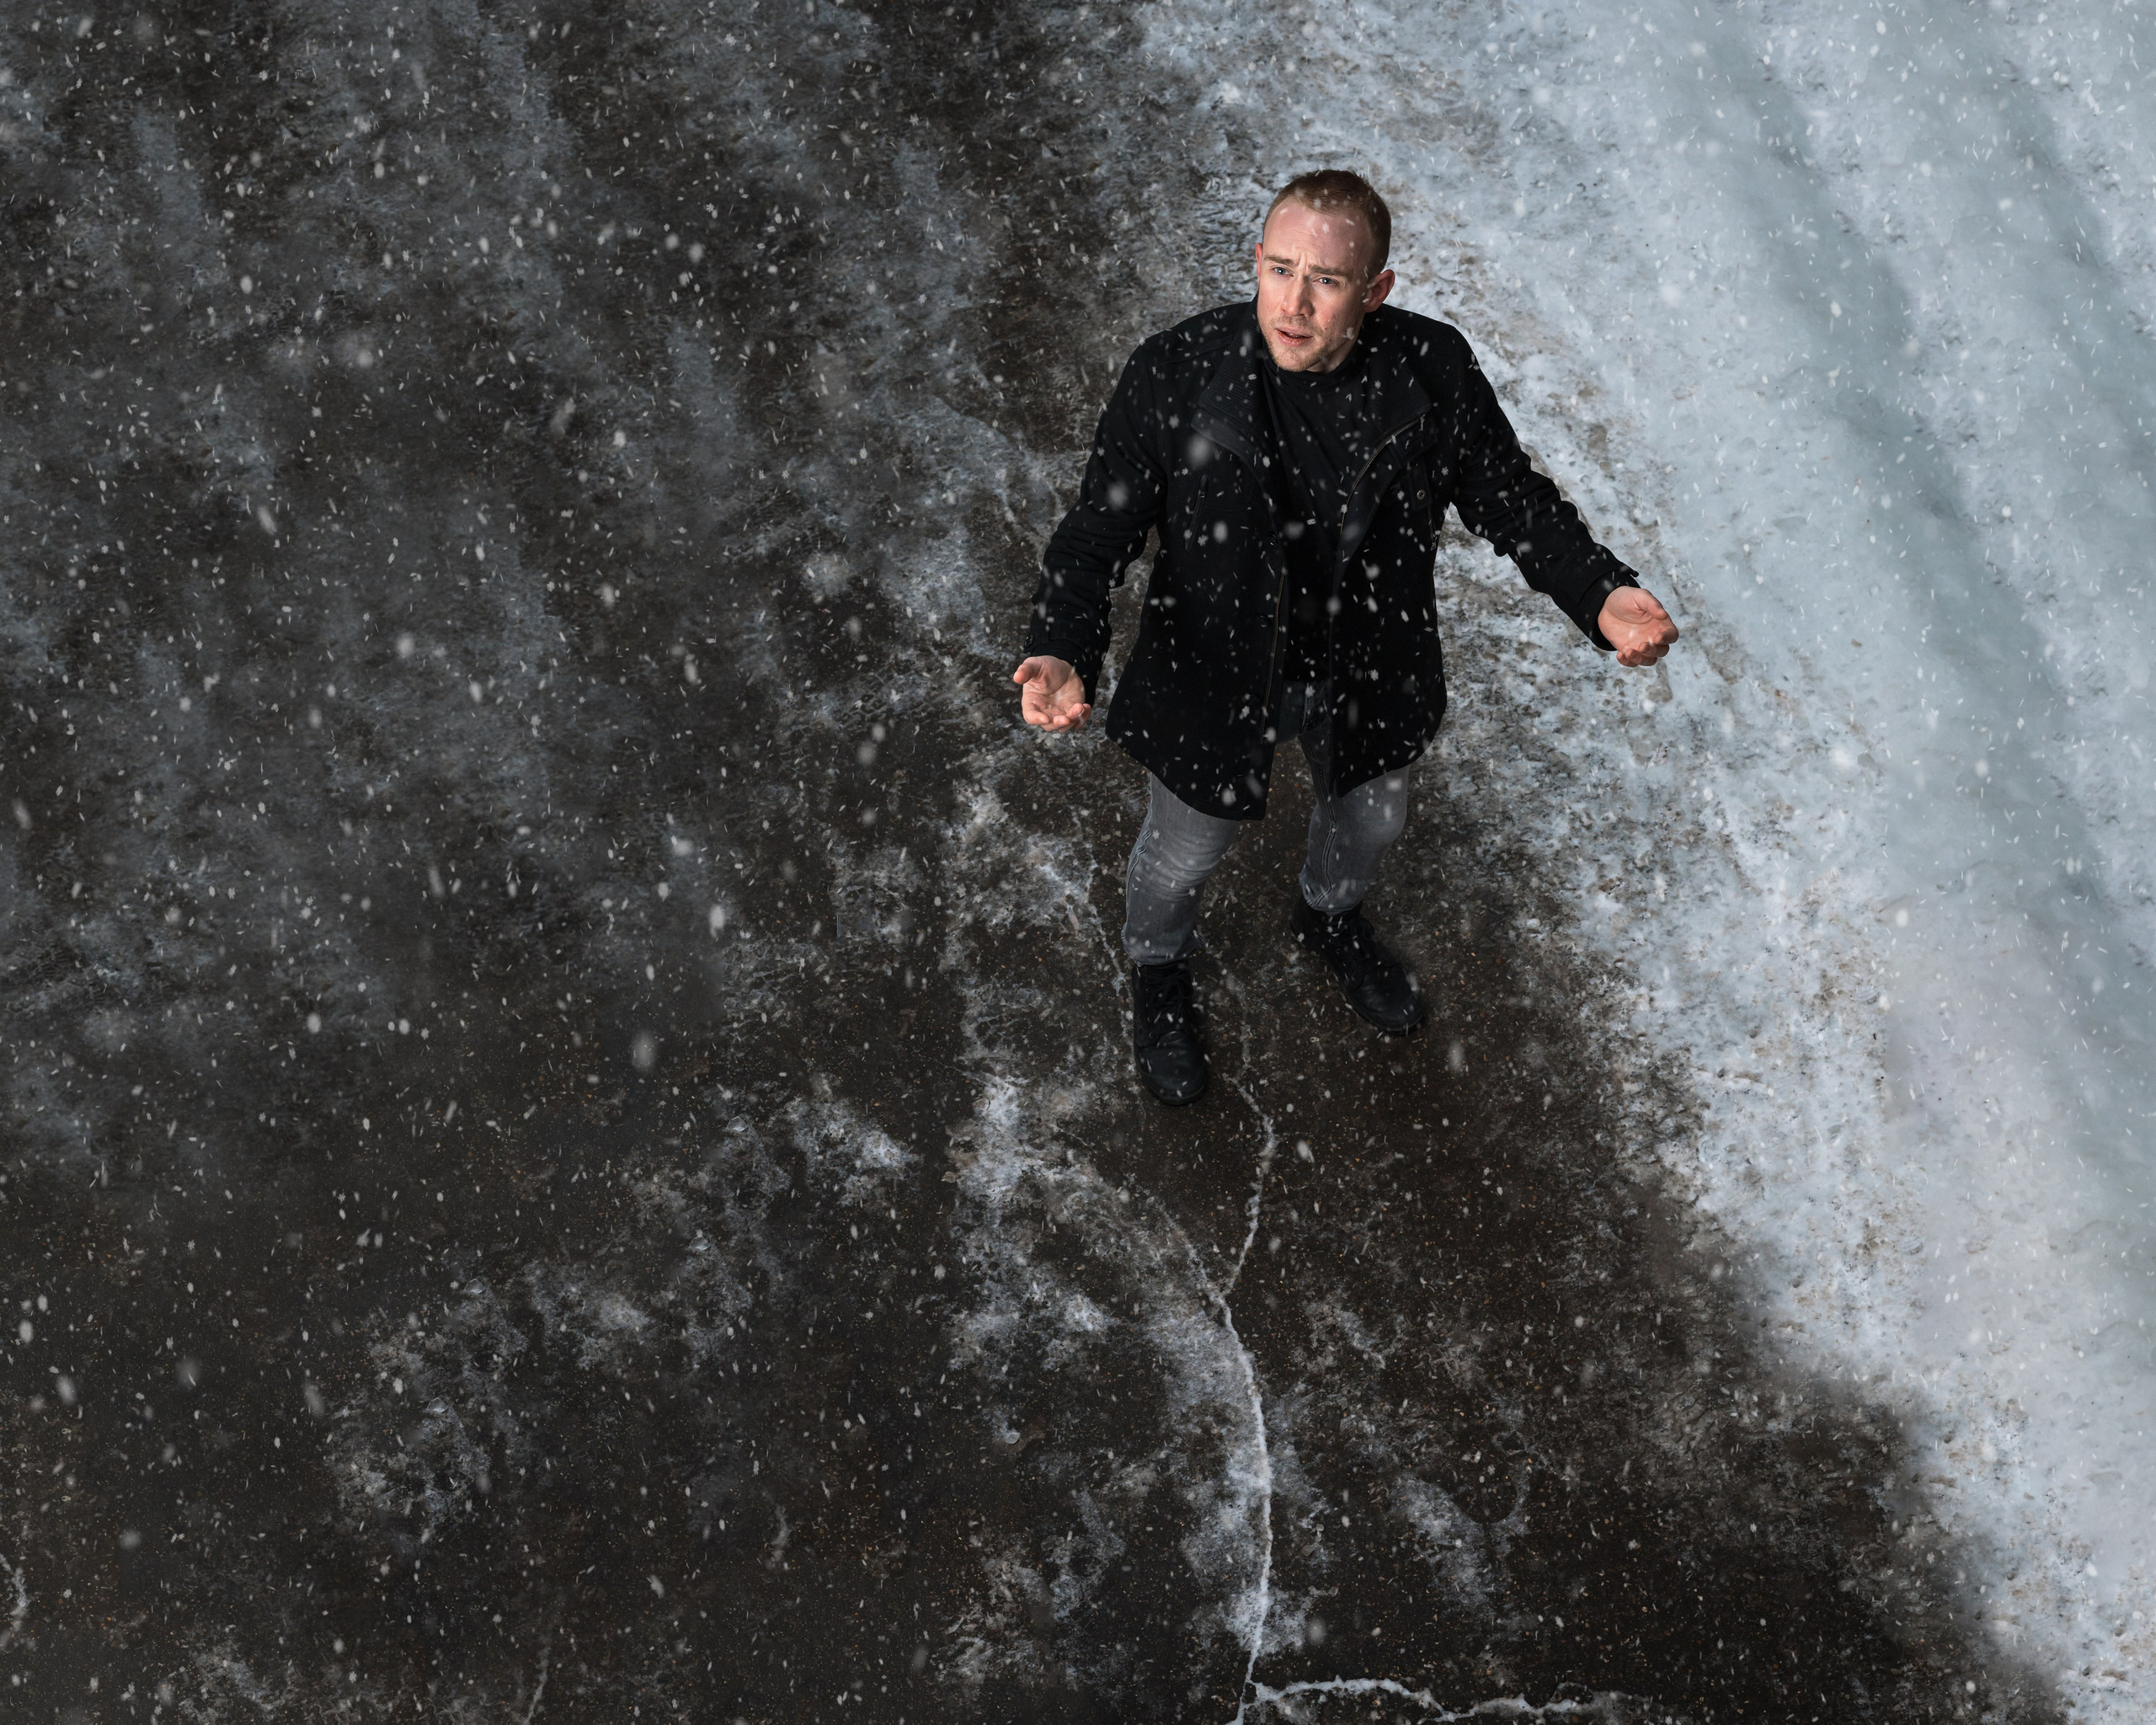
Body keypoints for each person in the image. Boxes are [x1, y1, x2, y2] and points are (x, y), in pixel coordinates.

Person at [1013, 170, 1678, 1106]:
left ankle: (1328, 917)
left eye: (1325, 280)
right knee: (1181, 855)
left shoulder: (1430, 369)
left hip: (1374, 663)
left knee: (1371, 822)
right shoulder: (1176, 369)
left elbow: (1510, 499)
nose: (1293, 301)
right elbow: (1097, 532)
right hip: (1215, 674)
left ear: (1375, 292)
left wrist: (1600, 592)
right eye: (1278, 269)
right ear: (1254, 263)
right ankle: (1157, 970)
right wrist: (1062, 647)